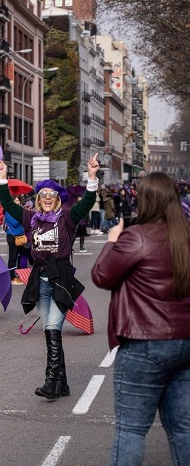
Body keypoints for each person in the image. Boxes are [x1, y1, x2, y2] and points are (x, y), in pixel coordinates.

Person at [91, 172, 190, 466]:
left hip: (144, 341)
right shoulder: (186, 234)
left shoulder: (138, 237)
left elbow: (102, 276)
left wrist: (111, 241)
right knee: (183, 428)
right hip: (185, 340)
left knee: (131, 429)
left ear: (144, 200)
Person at [0, 154, 99, 400]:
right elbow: (9, 206)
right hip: (39, 279)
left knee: (53, 327)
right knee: (49, 332)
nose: (48, 200)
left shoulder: (67, 219)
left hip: (60, 278)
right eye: (44, 197)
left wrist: (92, 177)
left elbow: (86, 203)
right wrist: (2, 178)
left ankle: (51, 382)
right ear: (39, 201)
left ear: (57, 200)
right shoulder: (31, 218)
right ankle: (60, 384)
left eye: (52, 197)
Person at [4, 197, 26, 285]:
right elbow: (15, 223)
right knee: (13, 257)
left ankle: (20, 274)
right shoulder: (9, 211)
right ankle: (11, 276)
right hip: (12, 236)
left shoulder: (21, 210)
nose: (17, 202)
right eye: (15, 200)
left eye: (18, 200)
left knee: (21, 256)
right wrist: (21, 215)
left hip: (21, 236)